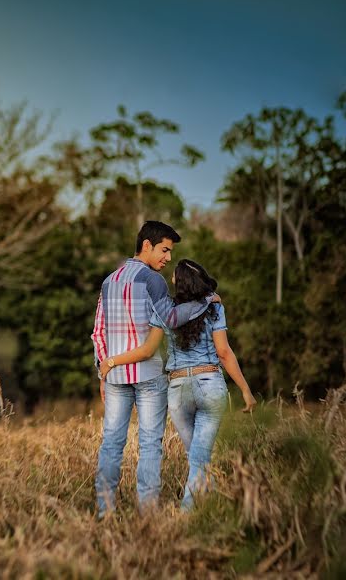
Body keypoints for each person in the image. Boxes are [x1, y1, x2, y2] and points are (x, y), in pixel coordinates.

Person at [100, 259, 256, 510]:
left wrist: (111, 361)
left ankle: (211, 506)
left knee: (197, 457)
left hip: (178, 389)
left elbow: (147, 350)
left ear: (178, 283)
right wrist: (245, 390)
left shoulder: (164, 313)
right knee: (200, 458)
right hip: (209, 383)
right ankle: (186, 515)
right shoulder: (214, 308)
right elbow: (224, 352)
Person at [91, 221, 216, 517]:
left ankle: (104, 512)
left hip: (116, 377)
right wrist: (205, 301)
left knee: (111, 443)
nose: (168, 258)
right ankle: (148, 515)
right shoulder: (152, 280)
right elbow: (171, 318)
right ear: (146, 245)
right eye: (165, 250)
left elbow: (98, 332)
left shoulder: (109, 281)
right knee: (149, 445)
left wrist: (103, 369)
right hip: (147, 375)